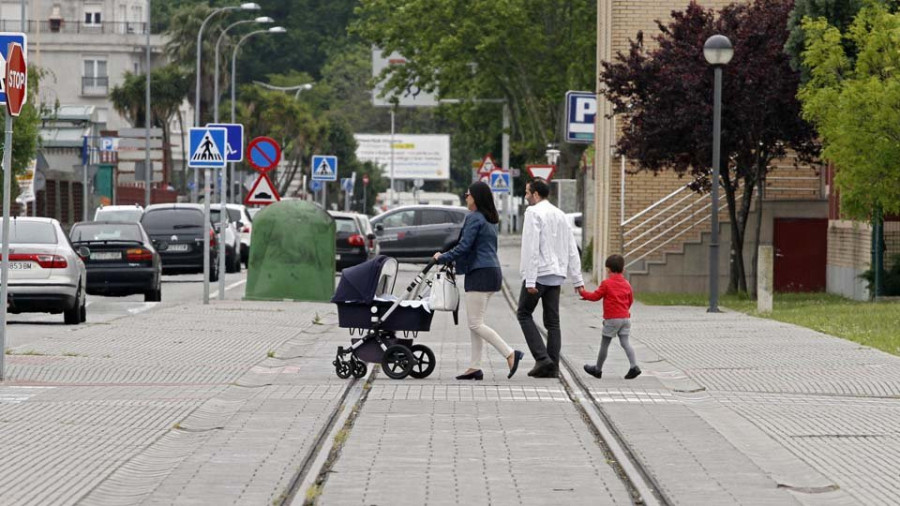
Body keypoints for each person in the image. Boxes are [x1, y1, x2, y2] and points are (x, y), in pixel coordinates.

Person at [433, 181, 524, 380]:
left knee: (475, 324)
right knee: (477, 322)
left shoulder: (474, 218)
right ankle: (475, 367)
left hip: (480, 273)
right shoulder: (490, 219)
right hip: (492, 271)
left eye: (467, 194)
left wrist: (443, 257)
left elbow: (464, 246)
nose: (466, 197)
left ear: (476, 197)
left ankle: (510, 353)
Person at [517, 178, 584, 378]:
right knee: (553, 322)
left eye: (528, 193)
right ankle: (553, 366)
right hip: (557, 275)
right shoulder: (560, 214)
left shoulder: (533, 212)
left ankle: (542, 358)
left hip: (538, 274)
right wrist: (577, 278)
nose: (526, 197)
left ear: (536, 194)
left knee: (523, 313)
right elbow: (572, 248)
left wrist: (530, 280)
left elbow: (531, 246)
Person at [579, 254, 641, 379]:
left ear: (607, 270)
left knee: (605, 344)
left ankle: (597, 369)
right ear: (623, 270)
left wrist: (583, 293)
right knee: (625, 343)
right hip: (625, 318)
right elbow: (630, 300)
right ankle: (634, 366)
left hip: (612, 319)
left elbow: (595, 296)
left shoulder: (606, 283)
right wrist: (624, 311)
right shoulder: (627, 284)